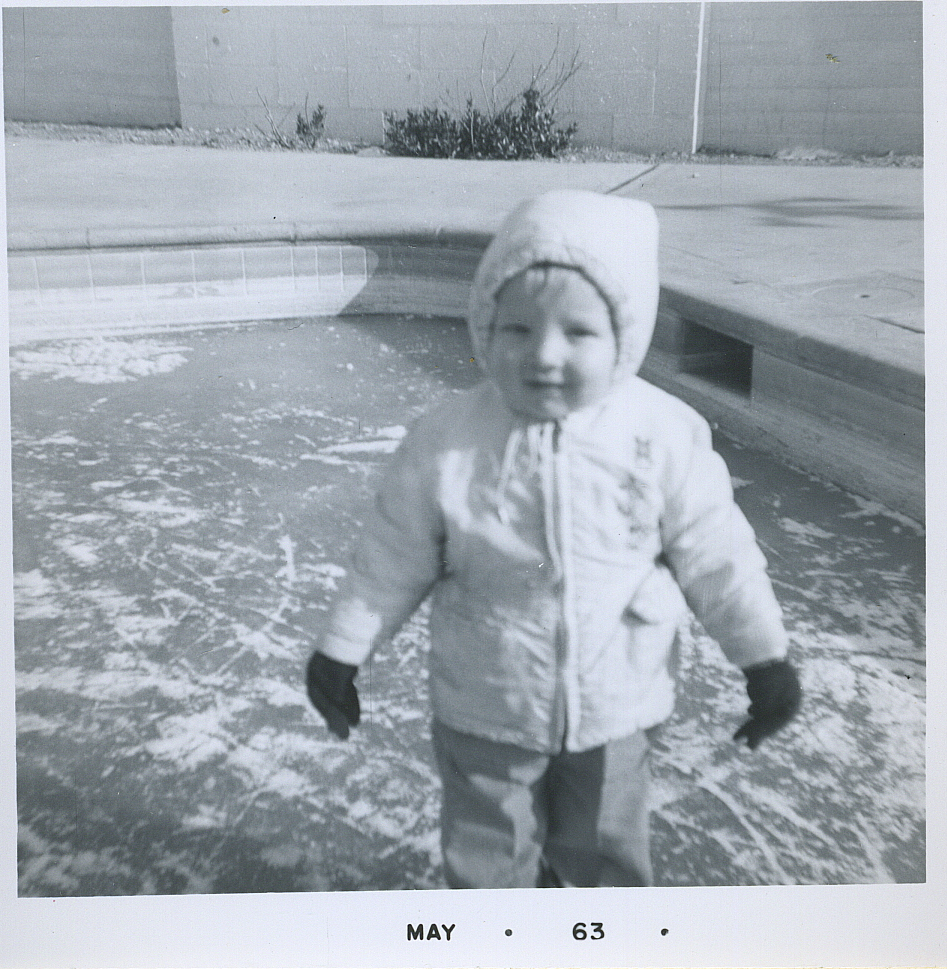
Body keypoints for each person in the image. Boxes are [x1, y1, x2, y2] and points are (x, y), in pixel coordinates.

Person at [305, 189, 801, 888]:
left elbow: (718, 556)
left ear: (624, 336)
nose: (543, 354)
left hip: (616, 706)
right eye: (517, 328)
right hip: (487, 706)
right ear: (485, 323)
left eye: (578, 332)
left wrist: (764, 656)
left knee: (603, 856)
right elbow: (389, 556)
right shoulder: (446, 440)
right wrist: (342, 648)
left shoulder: (662, 437)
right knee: (488, 858)